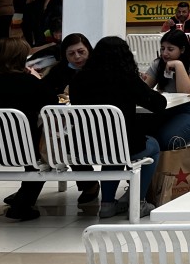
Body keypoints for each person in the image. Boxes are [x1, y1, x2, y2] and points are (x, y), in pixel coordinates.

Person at [69, 36, 168, 218]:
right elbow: (158, 104)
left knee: (113, 149)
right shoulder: (126, 78)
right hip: (118, 145)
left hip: (84, 149)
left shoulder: (78, 79)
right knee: (151, 146)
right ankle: (138, 203)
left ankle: (107, 204)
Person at [0, 38, 59, 221]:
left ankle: (19, 201)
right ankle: (23, 204)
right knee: (46, 154)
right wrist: (37, 79)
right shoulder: (28, 82)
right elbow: (53, 106)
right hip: (23, 150)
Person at [143, 30, 190, 149]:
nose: (165, 53)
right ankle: (154, 165)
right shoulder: (158, 63)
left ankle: (169, 166)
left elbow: (187, 93)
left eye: (170, 49)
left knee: (168, 138)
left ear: (182, 49)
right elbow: (144, 88)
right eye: (162, 48)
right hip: (166, 109)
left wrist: (178, 65)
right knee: (142, 134)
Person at [41, 32, 93, 97]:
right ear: (65, 55)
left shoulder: (98, 68)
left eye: (81, 52)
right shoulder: (58, 71)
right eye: (71, 53)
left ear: (88, 50)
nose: (77, 56)